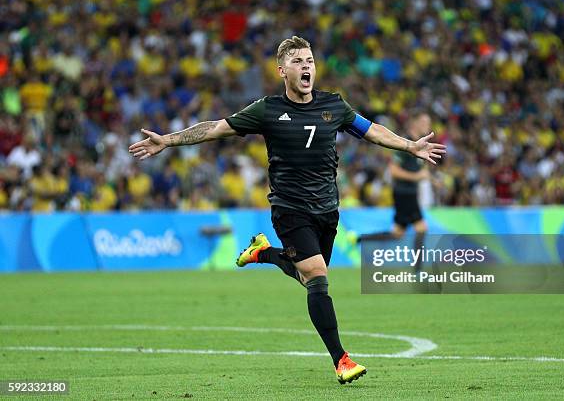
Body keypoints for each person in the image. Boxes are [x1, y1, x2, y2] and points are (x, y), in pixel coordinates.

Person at [129, 36, 446, 384]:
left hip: (327, 208)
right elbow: (216, 128)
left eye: (309, 60)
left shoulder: (334, 106)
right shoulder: (267, 110)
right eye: (297, 61)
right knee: (317, 276)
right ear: (282, 71)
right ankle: (341, 360)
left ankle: (264, 253)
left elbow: (371, 131)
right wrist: (169, 140)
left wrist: (409, 145)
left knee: (308, 275)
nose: (306, 66)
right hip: (289, 208)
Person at [358, 110, 432, 272]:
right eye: (425, 122)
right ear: (415, 122)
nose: (428, 126)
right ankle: (418, 270)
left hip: (408, 193)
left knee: (397, 233)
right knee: (421, 228)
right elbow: (393, 171)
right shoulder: (405, 143)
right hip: (403, 193)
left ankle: (361, 239)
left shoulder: (419, 143)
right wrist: (418, 176)